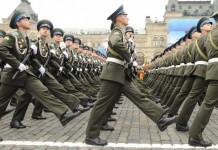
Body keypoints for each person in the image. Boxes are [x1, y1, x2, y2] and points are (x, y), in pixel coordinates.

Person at [85, 5, 176, 146]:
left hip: (121, 73)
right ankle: (91, 136)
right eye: (125, 15)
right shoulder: (117, 31)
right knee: (101, 104)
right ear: (119, 18)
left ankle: (160, 119)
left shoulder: (122, 33)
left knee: (139, 96)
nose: (127, 17)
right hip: (112, 73)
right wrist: (129, 57)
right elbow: (115, 43)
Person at [0, 11, 79, 140]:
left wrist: (38, 67)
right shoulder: (12, 36)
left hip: (25, 73)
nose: (28, 20)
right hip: (11, 75)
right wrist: (16, 64)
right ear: (18, 23)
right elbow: (1, 49)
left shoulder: (25, 38)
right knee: (1, 104)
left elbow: (29, 57)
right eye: (25, 19)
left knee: (43, 91)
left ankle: (62, 114)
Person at [188, 11, 218, 147]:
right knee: (207, 103)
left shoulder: (209, 35)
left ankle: (194, 134)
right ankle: (194, 135)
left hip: (212, 69)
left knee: (207, 102)